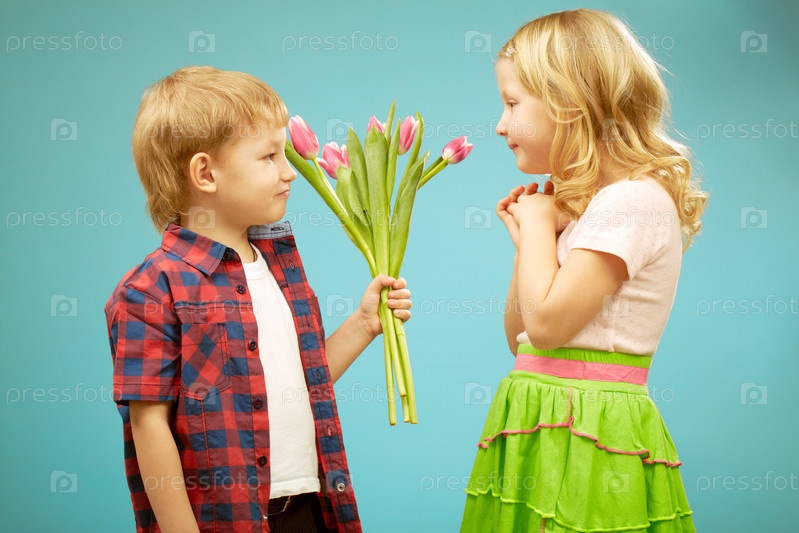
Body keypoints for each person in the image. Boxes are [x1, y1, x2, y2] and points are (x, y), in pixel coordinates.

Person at [104, 66, 412, 532]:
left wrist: (363, 324)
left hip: (308, 508)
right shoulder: (150, 290)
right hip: (224, 522)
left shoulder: (281, 270)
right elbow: (150, 429)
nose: (289, 171)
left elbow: (298, 383)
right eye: (269, 156)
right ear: (205, 173)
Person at [461, 9, 707, 532]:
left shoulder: (631, 201)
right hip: (540, 418)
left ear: (567, 103)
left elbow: (548, 326)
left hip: (589, 427)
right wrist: (532, 244)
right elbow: (521, 337)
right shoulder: (590, 208)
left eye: (512, 103)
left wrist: (536, 227)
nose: (500, 124)